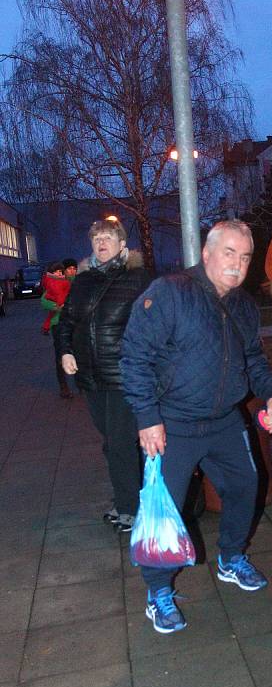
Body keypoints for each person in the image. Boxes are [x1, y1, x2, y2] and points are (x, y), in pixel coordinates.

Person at [120, 219, 272, 634]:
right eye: (229, 253)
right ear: (207, 254)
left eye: (245, 256)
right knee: (164, 511)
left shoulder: (244, 306)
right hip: (170, 424)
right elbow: (134, 357)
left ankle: (231, 558)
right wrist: (147, 418)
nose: (237, 264)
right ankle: (158, 592)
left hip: (225, 421)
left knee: (247, 487)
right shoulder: (171, 292)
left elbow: (253, 360)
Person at [57, 219, 152, 532]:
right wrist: (66, 351)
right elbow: (66, 322)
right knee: (111, 441)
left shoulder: (138, 278)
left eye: (108, 237)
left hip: (124, 374)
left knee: (121, 442)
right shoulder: (83, 282)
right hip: (91, 376)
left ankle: (130, 507)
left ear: (122, 245)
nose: (101, 242)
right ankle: (129, 497)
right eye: (96, 237)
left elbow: (156, 323)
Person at [41, 261, 75, 398]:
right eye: (69, 269)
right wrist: (57, 307)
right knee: (61, 355)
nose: (72, 271)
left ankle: (80, 382)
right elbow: (44, 301)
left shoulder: (73, 283)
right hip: (58, 323)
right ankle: (64, 386)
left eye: (74, 268)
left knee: (78, 352)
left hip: (73, 322)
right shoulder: (51, 283)